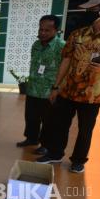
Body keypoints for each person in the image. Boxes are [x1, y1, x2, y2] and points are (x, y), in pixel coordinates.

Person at [36, 0, 100, 173]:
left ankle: (78, 160)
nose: (88, 12)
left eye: (92, 8)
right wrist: (56, 86)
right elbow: (66, 60)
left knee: (85, 129)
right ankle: (55, 153)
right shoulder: (77, 34)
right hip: (69, 90)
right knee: (59, 124)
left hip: (93, 94)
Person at [16, 15, 65, 156]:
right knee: (31, 116)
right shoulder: (36, 45)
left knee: (48, 120)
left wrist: (57, 88)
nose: (42, 33)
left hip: (49, 90)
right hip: (33, 88)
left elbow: (65, 68)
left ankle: (46, 144)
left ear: (56, 30)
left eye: (47, 30)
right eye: (41, 29)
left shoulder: (61, 46)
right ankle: (31, 139)